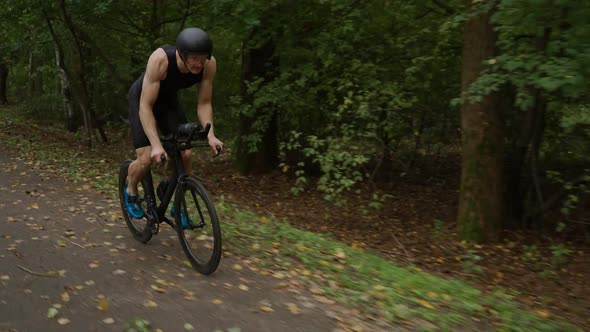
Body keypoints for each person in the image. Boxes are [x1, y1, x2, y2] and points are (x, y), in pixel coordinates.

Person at [125, 27, 223, 218]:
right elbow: (145, 107)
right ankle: (130, 190)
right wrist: (156, 145)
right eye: (194, 58)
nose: (199, 63)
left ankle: (175, 202)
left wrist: (211, 135)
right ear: (182, 54)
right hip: (143, 101)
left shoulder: (208, 65)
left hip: (168, 103)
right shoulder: (160, 60)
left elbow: (204, 103)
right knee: (145, 158)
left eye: (202, 58)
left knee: (185, 154)